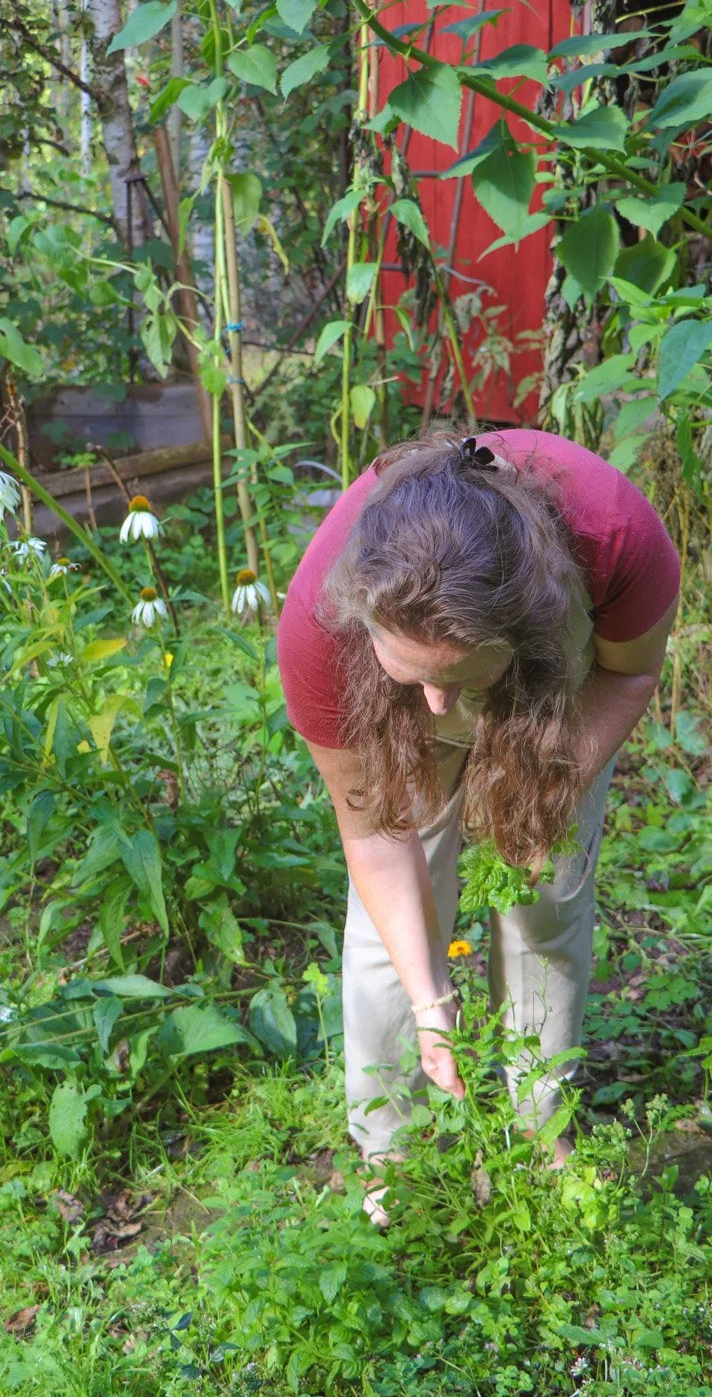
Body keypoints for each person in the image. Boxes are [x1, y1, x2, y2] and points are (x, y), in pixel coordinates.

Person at [277, 429, 680, 1225]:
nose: (439, 707)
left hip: (552, 692)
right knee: (401, 907)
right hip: (391, 689)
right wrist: (433, 1003)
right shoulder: (318, 631)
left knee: (547, 887)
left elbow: (630, 671)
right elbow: (376, 841)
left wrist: (550, 790)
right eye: (414, 672)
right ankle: (394, 1146)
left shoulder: (616, 536)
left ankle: (539, 1127)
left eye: (457, 680)